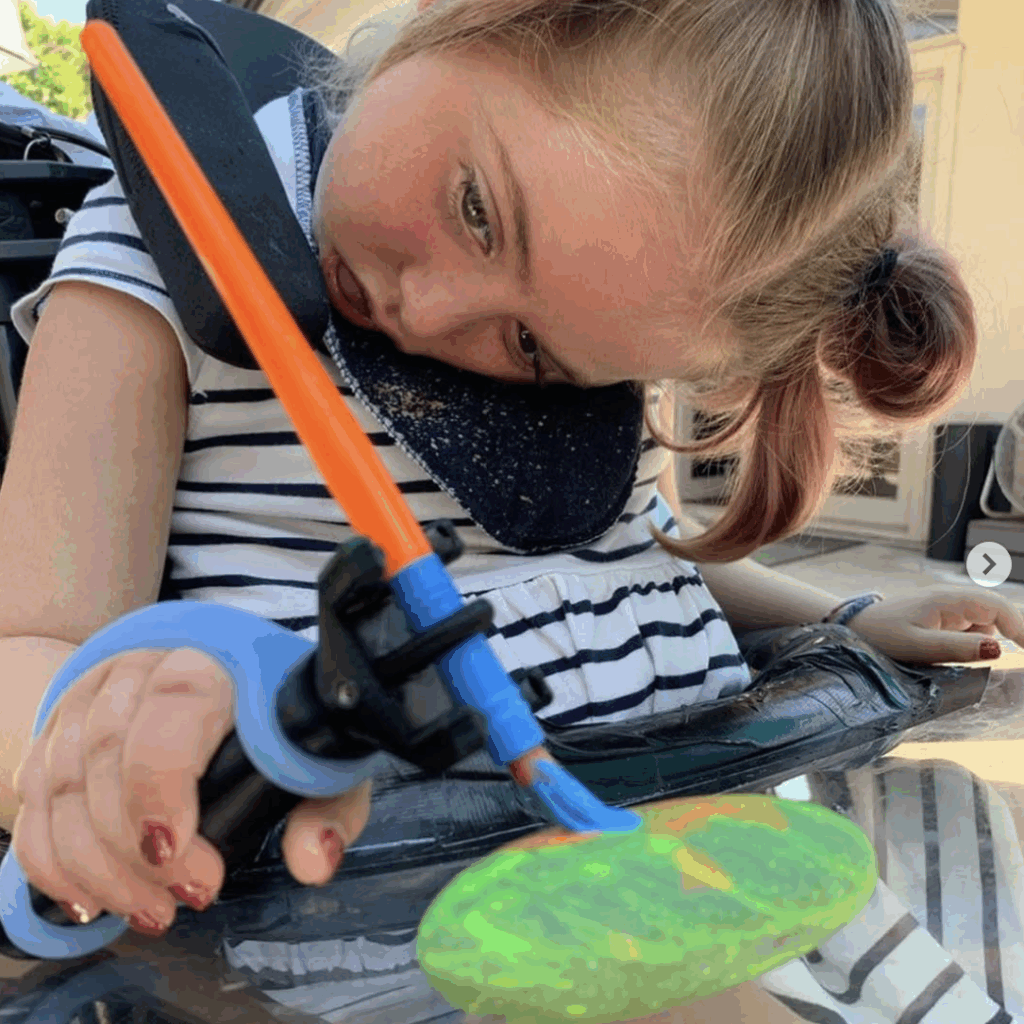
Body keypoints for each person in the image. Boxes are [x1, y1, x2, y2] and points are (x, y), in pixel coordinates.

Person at [0, 0, 1022, 1021]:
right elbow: (29, 636)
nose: (426, 312)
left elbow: (635, 552)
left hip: (699, 857)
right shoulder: (165, 239)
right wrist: (120, 750)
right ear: (465, 16)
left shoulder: (605, 297)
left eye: (532, 350)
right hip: (398, 927)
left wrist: (838, 619)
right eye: (478, 209)